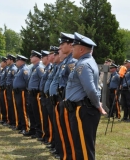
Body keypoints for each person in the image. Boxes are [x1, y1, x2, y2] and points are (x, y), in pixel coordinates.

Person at [65, 32, 106, 160]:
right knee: (81, 146)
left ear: (81, 49)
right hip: (81, 109)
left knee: (83, 148)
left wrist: (97, 105)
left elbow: (91, 89)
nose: (72, 49)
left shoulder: (84, 64)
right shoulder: (84, 62)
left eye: (74, 47)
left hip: (83, 110)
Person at [57, 32, 77, 160]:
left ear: (70, 45)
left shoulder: (72, 62)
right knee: (64, 129)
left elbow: (75, 82)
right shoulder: (67, 61)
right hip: (62, 97)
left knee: (69, 131)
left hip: (67, 98)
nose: (61, 46)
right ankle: (66, 155)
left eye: (63, 44)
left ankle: (70, 156)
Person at [24, 50, 44, 139]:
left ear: (37, 57)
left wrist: (39, 90)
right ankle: (33, 130)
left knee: (37, 113)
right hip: (30, 93)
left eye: (32, 56)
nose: (30, 58)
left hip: (35, 93)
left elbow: (43, 79)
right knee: (31, 112)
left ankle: (39, 131)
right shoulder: (33, 68)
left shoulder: (39, 68)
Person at [39, 50, 54, 144]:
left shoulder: (51, 68)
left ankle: (50, 138)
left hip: (50, 97)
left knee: (50, 119)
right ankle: (47, 136)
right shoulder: (48, 68)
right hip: (45, 96)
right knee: (45, 118)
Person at [13, 55, 29, 135]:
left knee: (23, 109)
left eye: (17, 61)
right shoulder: (19, 69)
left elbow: (27, 81)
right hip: (17, 92)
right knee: (19, 109)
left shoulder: (24, 69)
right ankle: (21, 125)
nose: (16, 62)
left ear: (21, 61)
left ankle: (25, 127)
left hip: (22, 92)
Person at [5, 54, 18, 129]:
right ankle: (11, 121)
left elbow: (14, 80)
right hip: (8, 89)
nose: (6, 61)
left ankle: (14, 122)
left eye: (7, 59)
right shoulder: (10, 68)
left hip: (12, 89)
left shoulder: (13, 69)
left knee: (13, 106)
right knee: (10, 105)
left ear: (11, 60)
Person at [0, 57, 9, 125]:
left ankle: (6, 119)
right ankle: (4, 118)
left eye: (2, 62)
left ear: (5, 63)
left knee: (6, 105)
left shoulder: (7, 70)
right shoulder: (3, 70)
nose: (0, 63)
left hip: (5, 89)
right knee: (2, 104)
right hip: (1, 88)